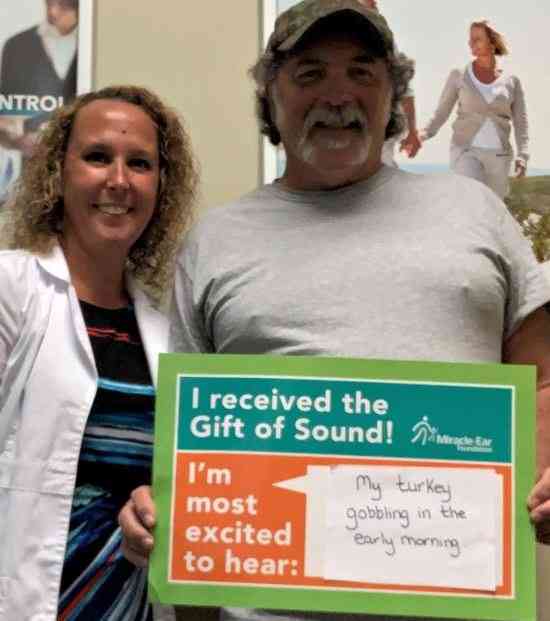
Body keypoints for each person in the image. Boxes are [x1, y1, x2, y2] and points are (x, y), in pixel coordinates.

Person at [119, 1, 550, 620]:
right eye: (311, 73)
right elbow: (189, 445)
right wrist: (165, 524)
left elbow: (541, 377)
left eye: (362, 72)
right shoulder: (213, 243)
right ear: (270, 97)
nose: (338, 95)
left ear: (394, 96)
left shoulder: (475, 210)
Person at [0, 84, 197, 620]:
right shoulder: (12, 290)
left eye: (140, 163)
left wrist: (156, 513)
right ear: (57, 173)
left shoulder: (164, 331)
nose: (119, 180)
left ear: (160, 185)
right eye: (97, 157)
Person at [420, 19, 528, 199]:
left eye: (477, 39)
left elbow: (521, 121)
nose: (471, 43)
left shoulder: (511, 81)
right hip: (466, 151)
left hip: (499, 157)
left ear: (492, 43)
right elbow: (441, 112)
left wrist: (523, 155)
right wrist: (423, 133)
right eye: (470, 39)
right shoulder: (459, 75)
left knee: (492, 208)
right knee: (472, 198)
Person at [0, 0, 79, 200]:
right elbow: (5, 112)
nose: (53, 12)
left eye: (63, 6)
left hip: (77, 176)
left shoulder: (92, 45)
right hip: (28, 178)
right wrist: (18, 140)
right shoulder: (17, 46)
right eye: (49, 3)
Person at [358, 0, 422, 166]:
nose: (375, 6)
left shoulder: (384, 41)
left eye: (374, 5)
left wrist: (412, 131)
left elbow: (404, 87)